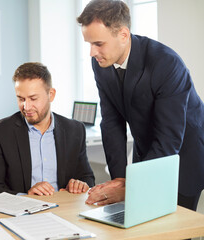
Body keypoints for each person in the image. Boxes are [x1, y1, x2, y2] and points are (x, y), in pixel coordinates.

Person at [77, 0, 204, 210]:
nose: (92, 52)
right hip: (146, 150)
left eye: (98, 44)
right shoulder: (100, 63)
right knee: (137, 219)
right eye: (89, 44)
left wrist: (133, 186)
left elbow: (169, 138)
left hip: (183, 155)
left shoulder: (166, 63)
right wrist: (119, 180)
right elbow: (111, 123)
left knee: (171, 229)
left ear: (124, 35)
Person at [0, 62, 95, 198]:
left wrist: (80, 184)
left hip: (64, 209)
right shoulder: (0, 132)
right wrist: (25, 196)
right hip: (21, 212)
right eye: (21, 99)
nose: (26, 107)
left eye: (33, 98)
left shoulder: (75, 130)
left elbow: (87, 178)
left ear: (51, 95)